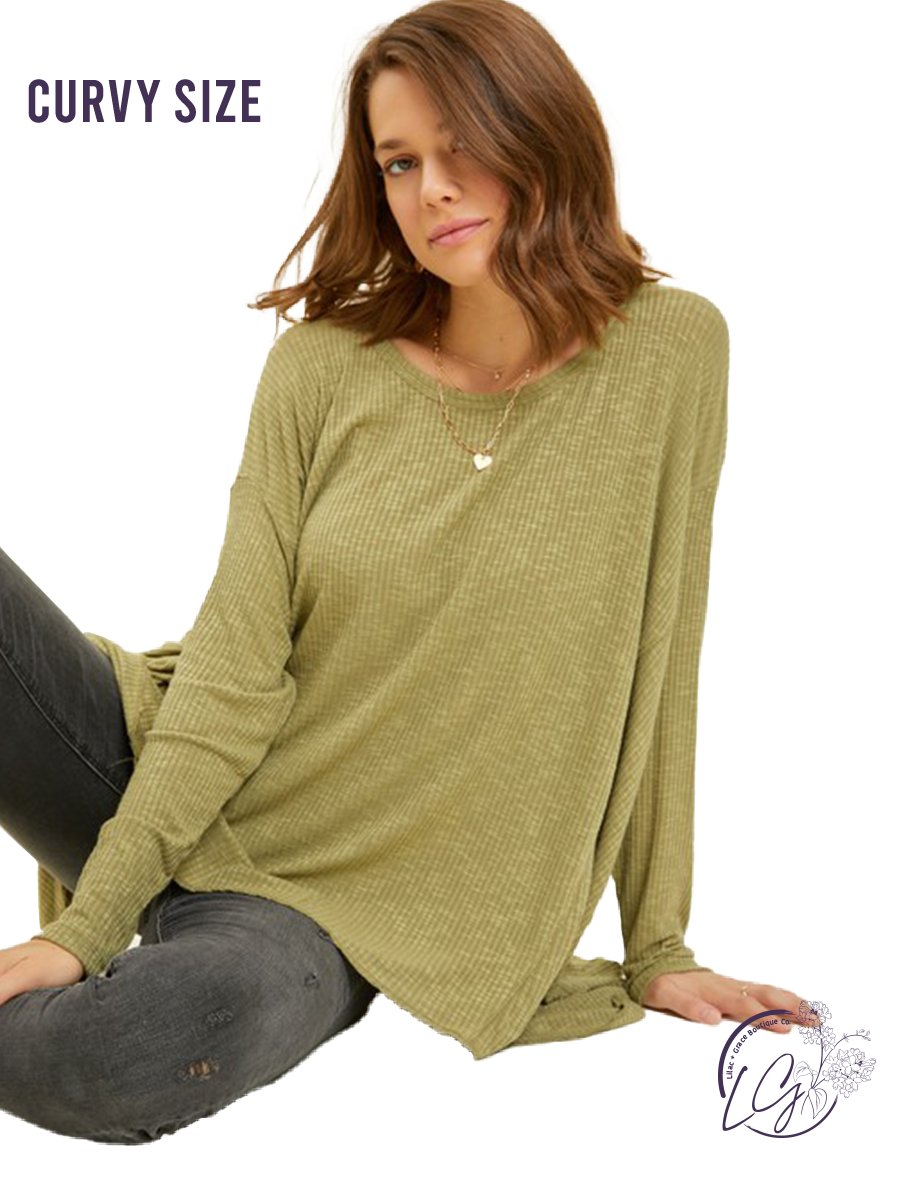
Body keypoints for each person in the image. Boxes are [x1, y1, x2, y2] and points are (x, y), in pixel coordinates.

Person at [0, 0, 812, 1145]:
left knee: (108, 1057)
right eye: (398, 162)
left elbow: (659, 661)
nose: (432, 188)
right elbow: (234, 673)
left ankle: (160, 943)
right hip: (153, 769)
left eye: (462, 145)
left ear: (543, 131)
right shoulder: (321, 367)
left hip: (326, 915)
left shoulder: (672, 354)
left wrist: (658, 946)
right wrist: (85, 929)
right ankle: (130, 903)